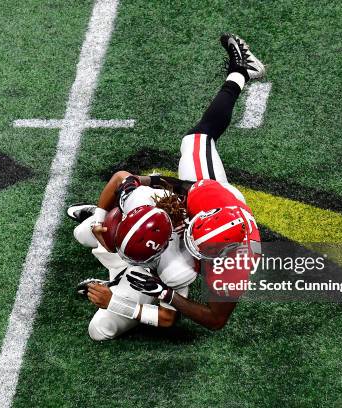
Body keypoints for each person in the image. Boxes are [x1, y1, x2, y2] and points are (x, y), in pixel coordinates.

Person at [70, 32, 265, 336]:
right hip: (205, 203)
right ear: (197, 218)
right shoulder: (205, 200)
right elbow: (174, 186)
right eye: (189, 233)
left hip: (175, 267)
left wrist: (166, 294)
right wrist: (142, 183)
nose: (186, 240)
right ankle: (241, 72)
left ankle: (120, 259)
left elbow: (215, 319)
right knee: (196, 139)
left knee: (102, 328)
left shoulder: (230, 265)